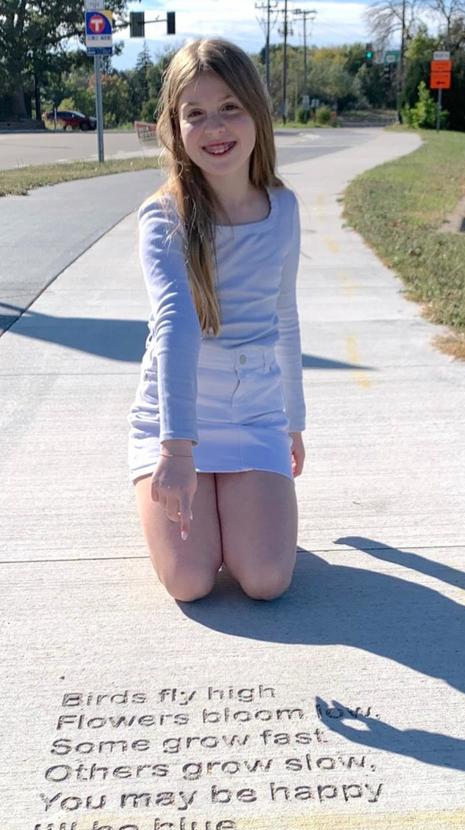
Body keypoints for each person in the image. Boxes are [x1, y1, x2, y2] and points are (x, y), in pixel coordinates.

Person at [127, 38, 306, 603]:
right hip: (174, 419)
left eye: (230, 107)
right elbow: (176, 323)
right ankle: (197, 497)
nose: (215, 127)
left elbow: (285, 315)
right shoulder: (163, 216)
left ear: (256, 111)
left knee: (266, 580)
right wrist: (177, 452)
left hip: (254, 414)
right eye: (195, 114)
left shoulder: (284, 209)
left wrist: (292, 422)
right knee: (190, 581)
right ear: (174, 128)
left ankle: (242, 503)